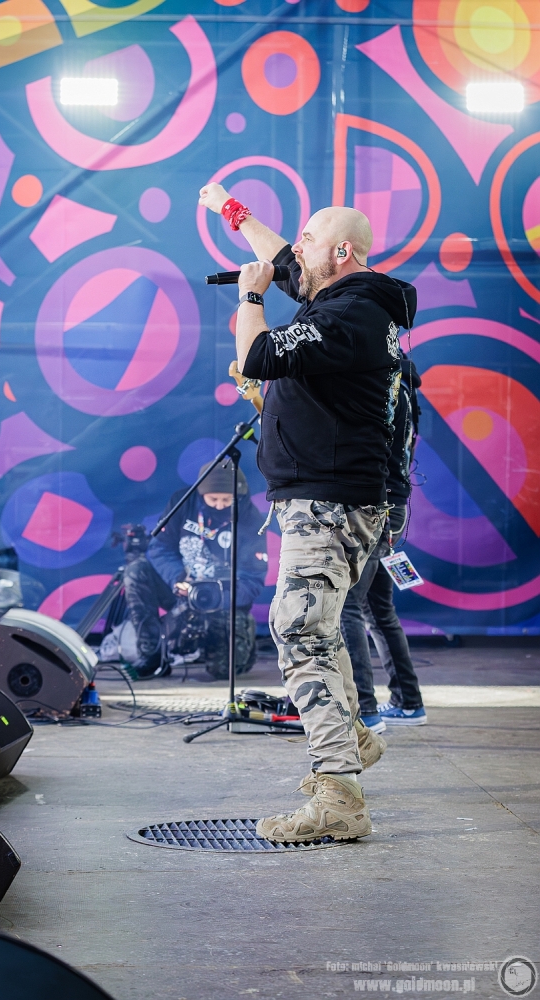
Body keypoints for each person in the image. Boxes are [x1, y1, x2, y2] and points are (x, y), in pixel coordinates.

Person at [198, 182, 417, 843]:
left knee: (300, 632)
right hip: (327, 499)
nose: (296, 249)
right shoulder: (344, 302)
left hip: (329, 501)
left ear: (342, 252)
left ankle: (338, 795)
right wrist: (232, 212)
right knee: (313, 629)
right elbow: (282, 256)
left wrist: (251, 296)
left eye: (310, 239)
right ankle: (351, 741)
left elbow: (256, 355)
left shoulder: (346, 316)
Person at [340, 356, 427, 729]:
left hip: (375, 506)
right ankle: (408, 704)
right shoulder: (404, 391)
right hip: (392, 506)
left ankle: (365, 710)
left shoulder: (386, 389)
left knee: (348, 607)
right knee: (378, 610)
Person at [123, 462, 266, 680]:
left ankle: (242, 633)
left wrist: (219, 598)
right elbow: (160, 548)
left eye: (227, 500)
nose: (220, 505)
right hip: (183, 590)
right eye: (213, 499)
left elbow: (253, 579)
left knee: (224, 672)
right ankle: (151, 654)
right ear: (201, 493)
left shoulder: (251, 519)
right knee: (137, 570)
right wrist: (178, 578)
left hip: (223, 602)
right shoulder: (181, 502)